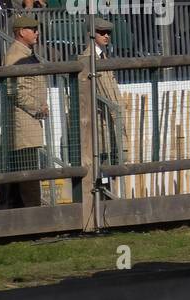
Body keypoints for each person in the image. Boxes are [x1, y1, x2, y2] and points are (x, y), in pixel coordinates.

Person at [3, 15, 48, 209]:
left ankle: (18, 220)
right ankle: (34, 219)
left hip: (27, 122)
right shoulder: (16, 55)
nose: (37, 32)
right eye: (33, 29)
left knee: (22, 175)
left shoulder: (26, 52)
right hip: (23, 123)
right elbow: (14, 91)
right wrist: (38, 107)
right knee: (28, 176)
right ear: (21, 32)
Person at [77, 16, 126, 178]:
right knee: (101, 175)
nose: (106, 36)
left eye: (108, 33)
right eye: (101, 32)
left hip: (108, 124)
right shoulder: (90, 58)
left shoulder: (102, 56)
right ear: (91, 34)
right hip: (99, 126)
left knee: (108, 174)